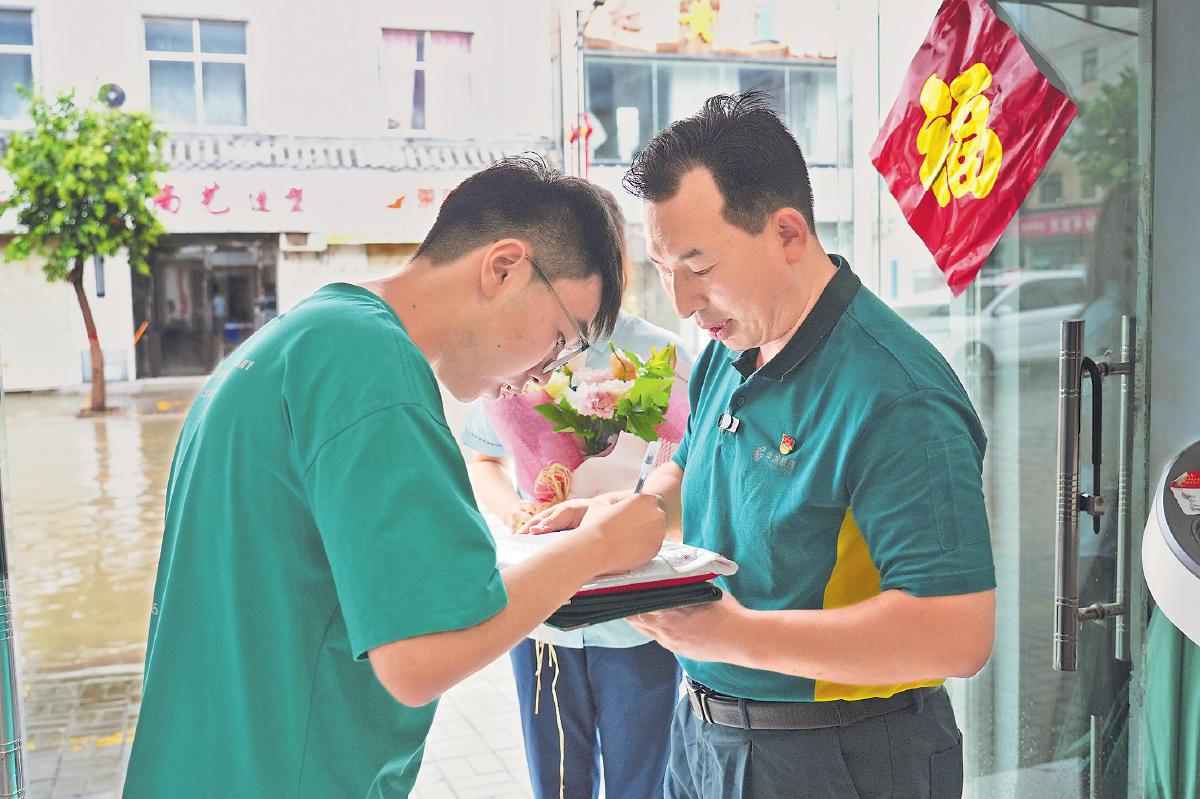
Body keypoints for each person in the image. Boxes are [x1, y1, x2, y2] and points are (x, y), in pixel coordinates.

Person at [122, 156, 666, 799]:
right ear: (504, 268)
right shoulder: (373, 369)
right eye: (560, 336)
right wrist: (596, 548)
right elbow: (421, 656)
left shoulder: (300, 340)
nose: (544, 374)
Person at [523, 92, 997, 798]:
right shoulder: (732, 346)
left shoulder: (898, 395)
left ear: (788, 234)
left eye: (699, 267)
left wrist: (730, 634)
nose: (682, 302)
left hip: (840, 754)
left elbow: (955, 633)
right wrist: (620, 518)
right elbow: (689, 473)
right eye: (661, 268)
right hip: (704, 732)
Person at [462, 190, 691, 799]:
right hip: (544, 610)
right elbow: (483, 456)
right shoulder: (516, 351)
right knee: (557, 780)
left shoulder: (664, 356)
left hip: (637, 612)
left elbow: (688, 469)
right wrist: (514, 509)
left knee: (643, 777)